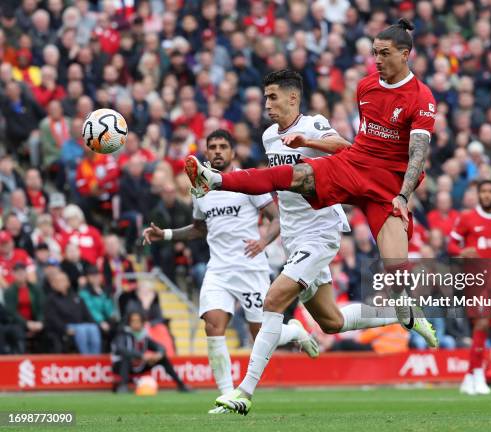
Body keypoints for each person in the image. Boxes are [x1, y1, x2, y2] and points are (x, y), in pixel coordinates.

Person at [186, 63, 438, 415]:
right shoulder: (268, 136)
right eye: (265, 98)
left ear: (293, 97)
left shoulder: (313, 124)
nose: (267, 105)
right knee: (330, 322)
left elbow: (347, 148)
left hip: (320, 232)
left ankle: (242, 393)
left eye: (273, 97)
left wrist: (309, 141)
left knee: (272, 300)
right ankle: (402, 313)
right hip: (293, 235)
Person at [144, 129, 317, 414]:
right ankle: (227, 396)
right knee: (212, 325)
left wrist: (263, 241)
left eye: (223, 146)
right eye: (212, 147)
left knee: (259, 333)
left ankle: (293, 331)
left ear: (233, 152)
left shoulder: (247, 182)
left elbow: (276, 218)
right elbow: (200, 228)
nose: (217, 151)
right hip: (218, 270)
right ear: (206, 152)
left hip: (250, 269)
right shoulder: (200, 189)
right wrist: (166, 235)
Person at [448, 179, 491, 395]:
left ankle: (470, 376)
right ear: (478, 194)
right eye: (483, 191)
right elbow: (451, 244)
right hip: (475, 281)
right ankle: (477, 374)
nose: (487, 195)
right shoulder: (467, 217)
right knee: (482, 324)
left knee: (485, 328)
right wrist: (461, 252)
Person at [111, 310, 190, 393]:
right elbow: (120, 349)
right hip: (120, 366)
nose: (136, 323)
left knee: (163, 359)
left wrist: (158, 355)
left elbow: (160, 347)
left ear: (142, 322)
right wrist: (141, 356)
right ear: (129, 322)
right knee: (125, 358)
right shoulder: (123, 334)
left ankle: (181, 385)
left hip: (139, 365)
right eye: (133, 321)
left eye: (138, 321)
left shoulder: (144, 337)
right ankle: (123, 386)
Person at [43, 270, 101, 354]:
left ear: (68, 282)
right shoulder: (50, 300)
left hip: (81, 325)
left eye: (63, 280)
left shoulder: (76, 297)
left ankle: (96, 358)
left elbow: (87, 314)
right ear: (53, 284)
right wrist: (65, 329)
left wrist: (94, 323)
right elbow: (52, 319)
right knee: (82, 330)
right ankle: (86, 358)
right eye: (58, 281)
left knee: (93, 328)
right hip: (66, 327)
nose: (61, 283)